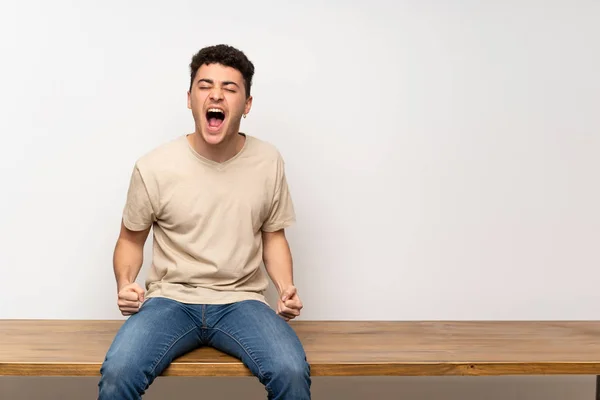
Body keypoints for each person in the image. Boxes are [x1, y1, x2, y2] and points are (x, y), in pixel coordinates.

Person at [98, 44, 311, 400]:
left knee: (290, 370)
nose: (216, 94)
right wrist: (125, 283)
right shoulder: (154, 166)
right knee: (119, 371)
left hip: (242, 301)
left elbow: (273, 236)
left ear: (247, 104)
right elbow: (130, 240)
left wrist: (287, 287)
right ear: (189, 98)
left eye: (230, 88)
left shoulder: (268, 161)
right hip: (169, 300)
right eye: (205, 85)